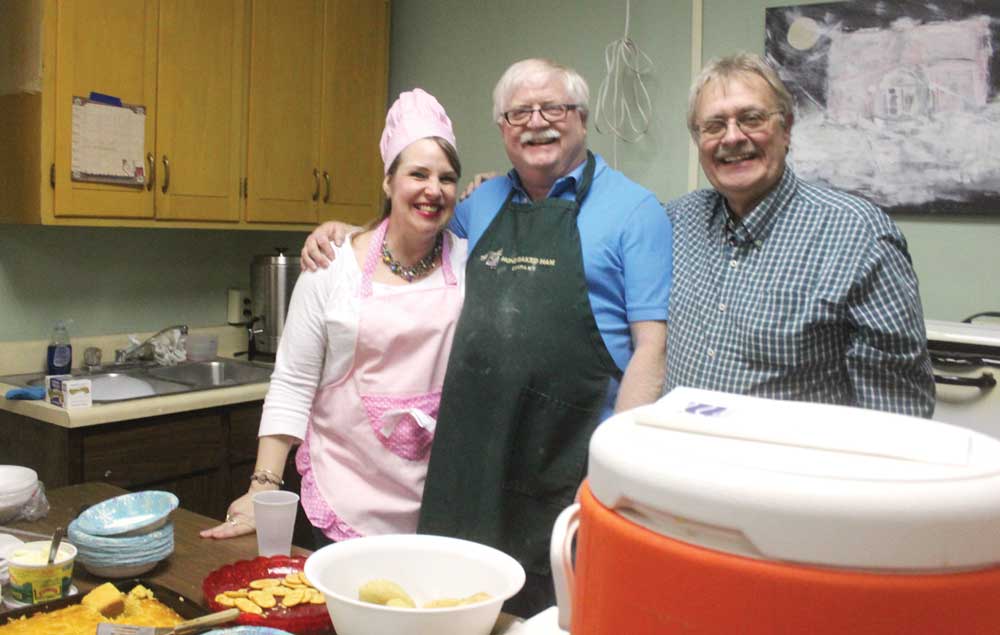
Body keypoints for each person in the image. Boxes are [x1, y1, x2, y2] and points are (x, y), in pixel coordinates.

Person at [301, 58, 672, 616]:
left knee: (556, 618)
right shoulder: (480, 205)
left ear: (583, 118)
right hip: (476, 462)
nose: (537, 122)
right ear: (501, 126)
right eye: (519, 111)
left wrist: (611, 476)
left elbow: (654, 350)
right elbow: (412, 235)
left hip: (572, 472)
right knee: (456, 612)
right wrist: (345, 234)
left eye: (554, 108)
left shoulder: (635, 211)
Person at [201, 88, 467, 546]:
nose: (432, 189)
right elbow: (292, 381)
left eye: (446, 178)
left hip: (437, 502)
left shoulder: (470, 263)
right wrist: (260, 487)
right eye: (418, 173)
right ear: (388, 182)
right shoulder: (331, 268)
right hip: (342, 497)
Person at [666, 52, 934, 416]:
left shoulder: (858, 237)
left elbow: (896, 411)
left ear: (787, 129)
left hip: (787, 470)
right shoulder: (676, 222)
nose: (732, 137)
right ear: (698, 140)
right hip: (675, 461)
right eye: (713, 126)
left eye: (751, 118)